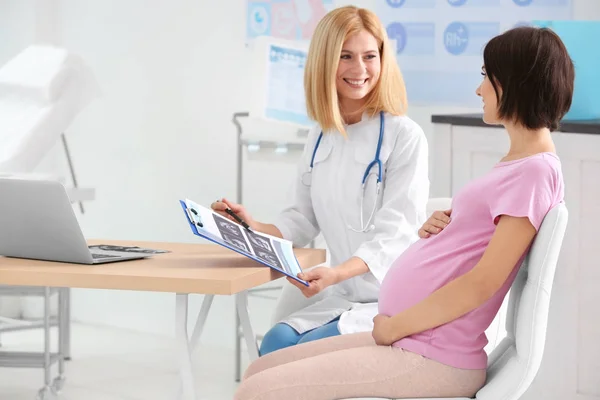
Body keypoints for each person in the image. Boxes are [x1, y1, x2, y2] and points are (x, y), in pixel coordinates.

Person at [233, 25, 574, 400]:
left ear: (513, 83)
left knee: (258, 390)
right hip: (413, 338)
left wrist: (395, 327)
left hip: (431, 352)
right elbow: (474, 248)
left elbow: (483, 282)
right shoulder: (519, 166)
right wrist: (442, 230)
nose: (479, 90)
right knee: (259, 369)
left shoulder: (535, 171)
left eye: (484, 77)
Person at [212, 5, 429, 356]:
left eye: (369, 56)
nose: (360, 69)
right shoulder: (321, 136)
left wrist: (338, 272)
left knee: (310, 352)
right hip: (344, 294)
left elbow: (397, 235)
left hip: (391, 298)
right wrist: (252, 226)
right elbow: (299, 219)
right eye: (346, 56)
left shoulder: (405, 136)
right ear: (325, 62)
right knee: (275, 343)